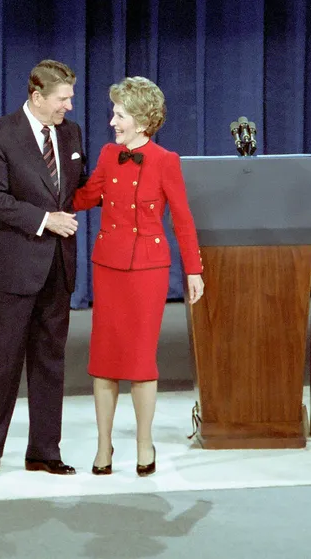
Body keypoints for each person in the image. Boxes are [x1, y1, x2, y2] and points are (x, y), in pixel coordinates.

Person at [71, 76, 204, 477]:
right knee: (105, 360)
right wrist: (46, 185)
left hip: (148, 271)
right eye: (114, 113)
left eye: (120, 115)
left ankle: (144, 444)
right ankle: (103, 447)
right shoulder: (109, 155)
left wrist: (194, 270)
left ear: (143, 122)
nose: (113, 121)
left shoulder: (166, 160)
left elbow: (182, 219)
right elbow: (84, 197)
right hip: (109, 267)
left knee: (142, 360)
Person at [0, 59, 88, 478]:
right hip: (15, 265)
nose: (68, 107)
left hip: (58, 266)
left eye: (70, 98)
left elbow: (79, 186)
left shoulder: (71, 134)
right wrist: (45, 219)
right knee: (3, 361)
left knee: (50, 361)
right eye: (62, 99)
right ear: (37, 97)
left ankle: (44, 450)